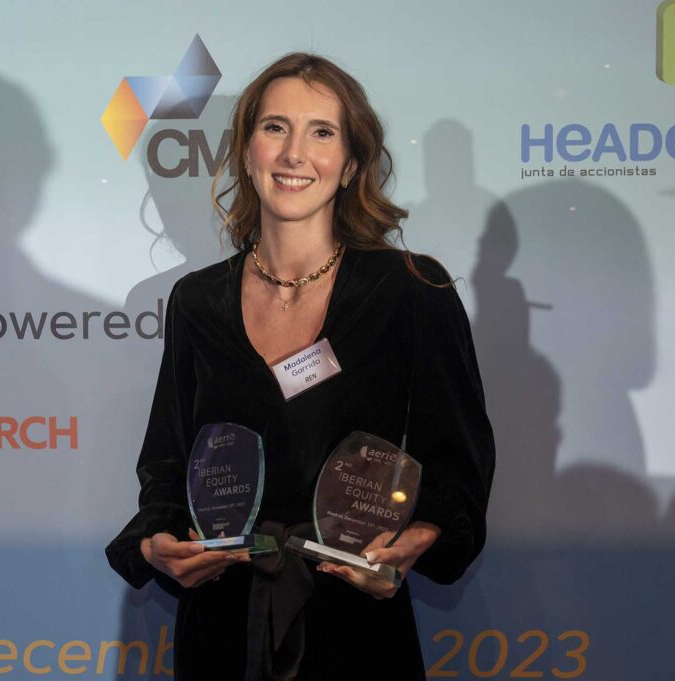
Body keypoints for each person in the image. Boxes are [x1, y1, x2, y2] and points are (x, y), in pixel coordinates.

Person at [106, 52, 495, 681]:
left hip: (355, 625)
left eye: (321, 132)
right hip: (222, 627)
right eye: (275, 128)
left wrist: (421, 536)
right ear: (246, 152)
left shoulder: (409, 291)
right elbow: (168, 464)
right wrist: (156, 541)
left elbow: (457, 463)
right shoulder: (196, 301)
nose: (294, 154)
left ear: (351, 164)